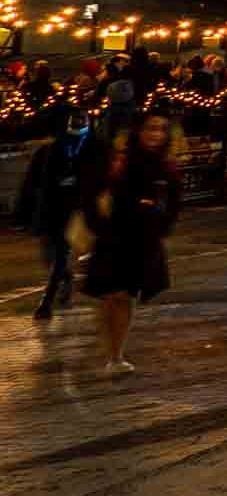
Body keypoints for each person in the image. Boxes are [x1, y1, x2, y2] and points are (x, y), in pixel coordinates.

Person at [81, 113, 182, 373]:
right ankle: (113, 352)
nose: (156, 134)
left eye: (161, 129)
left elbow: (173, 205)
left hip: (143, 240)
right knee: (113, 294)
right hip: (113, 237)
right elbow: (92, 196)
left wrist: (159, 225)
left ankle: (116, 354)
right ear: (138, 130)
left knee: (125, 296)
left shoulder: (166, 166)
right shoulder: (119, 162)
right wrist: (99, 228)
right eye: (150, 128)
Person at [18, 106, 90, 319]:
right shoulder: (47, 152)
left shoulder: (83, 148)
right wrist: (25, 210)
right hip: (49, 210)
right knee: (49, 255)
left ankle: (47, 301)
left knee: (59, 253)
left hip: (70, 210)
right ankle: (65, 277)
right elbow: (31, 183)